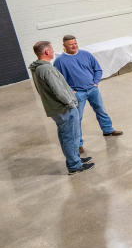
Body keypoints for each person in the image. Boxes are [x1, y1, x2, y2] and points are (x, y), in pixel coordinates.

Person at [29, 41, 93, 174]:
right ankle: (74, 165)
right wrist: (71, 103)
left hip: (56, 109)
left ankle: (75, 159)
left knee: (66, 136)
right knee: (71, 137)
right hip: (64, 108)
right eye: (51, 49)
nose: (53, 51)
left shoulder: (37, 68)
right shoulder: (46, 69)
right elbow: (58, 90)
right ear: (46, 52)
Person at [53, 34, 122, 152]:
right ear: (64, 46)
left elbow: (98, 69)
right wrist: (71, 91)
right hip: (77, 93)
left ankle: (108, 130)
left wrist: (95, 82)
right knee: (77, 118)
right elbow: (59, 80)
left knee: (101, 110)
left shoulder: (86, 54)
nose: (74, 46)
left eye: (75, 43)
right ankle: (78, 144)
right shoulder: (59, 61)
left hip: (92, 89)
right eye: (71, 44)